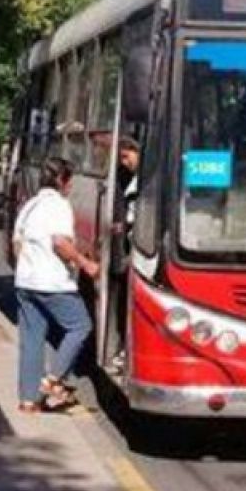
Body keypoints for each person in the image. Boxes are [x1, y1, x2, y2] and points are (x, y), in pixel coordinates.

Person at [12, 157, 99, 413]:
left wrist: (29, 269)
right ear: (62, 180)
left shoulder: (29, 206)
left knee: (31, 339)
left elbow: (17, 245)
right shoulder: (59, 205)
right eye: (69, 180)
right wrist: (85, 264)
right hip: (52, 283)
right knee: (80, 326)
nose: (70, 186)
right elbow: (60, 242)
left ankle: (29, 401)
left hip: (26, 282)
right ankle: (53, 380)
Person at [107, 136, 140, 373]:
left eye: (126, 157)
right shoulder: (130, 178)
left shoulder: (152, 178)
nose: (123, 163)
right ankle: (123, 348)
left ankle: (126, 350)